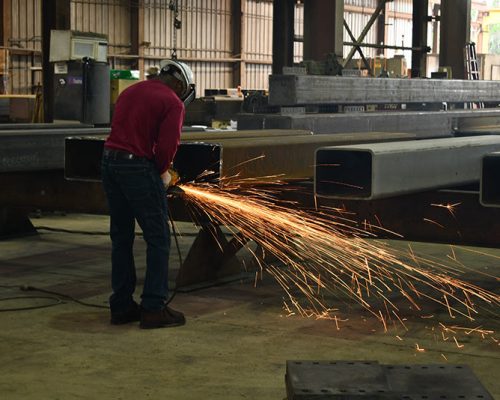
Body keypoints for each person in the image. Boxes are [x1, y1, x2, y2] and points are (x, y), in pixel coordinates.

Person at [101, 60, 195, 329]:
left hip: (109, 162)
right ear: (179, 84)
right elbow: (167, 147)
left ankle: (121, 306)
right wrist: (163, 173)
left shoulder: (131, 91)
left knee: (121, 236)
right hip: (136, 167)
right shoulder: (173, 103)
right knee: (158, 237)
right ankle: (153, 307)